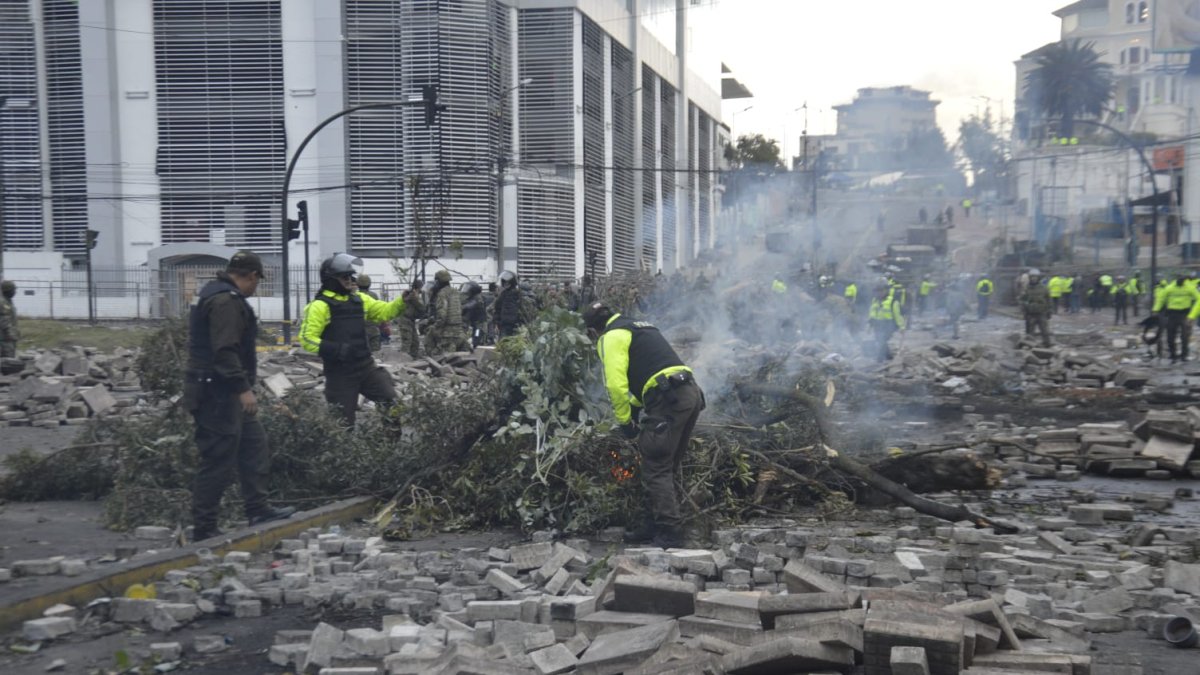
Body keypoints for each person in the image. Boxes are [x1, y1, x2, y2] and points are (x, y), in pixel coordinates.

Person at [183, 251, 294, 541]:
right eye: (257, 282)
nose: (256, 288)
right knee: (218, 458)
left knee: (254, 444)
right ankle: (204, 528)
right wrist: (243, 389)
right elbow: (225, 351)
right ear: (252, 276)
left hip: (220, 390)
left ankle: (258, 509)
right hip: (217, 393)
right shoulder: (226, 302)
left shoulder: (212, 292)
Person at [583, 302, 704, 548]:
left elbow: (616, 386)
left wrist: (625, 422)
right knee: (664, 466)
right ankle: (654, 524)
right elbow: (650, 371)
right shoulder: (640, 327)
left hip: (669, 399)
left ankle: (670, 532)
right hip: (689, 394)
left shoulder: (610, 336)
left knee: (656, 465)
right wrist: (637, 407)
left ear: (593, 331)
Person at [300, 253, 406, 425]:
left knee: (391, 403)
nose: (351, 280)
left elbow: (385, 311)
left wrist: (403, 300)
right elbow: (307, 339)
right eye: (345, 277)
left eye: (351, 276)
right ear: (332, 279)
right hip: (340, 374)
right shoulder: (319, 306)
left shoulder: (360, 299)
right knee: (342, 425)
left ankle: (389, 447)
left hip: (366, 367)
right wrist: (336, 349)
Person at [1153, 273, 1200, 363]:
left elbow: (1199, 299)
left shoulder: (1190, 288)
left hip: (1184, 314)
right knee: (1170, 336)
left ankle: (1184, 355)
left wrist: (1192, 316)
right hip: (1172, 314)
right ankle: (1173, 354)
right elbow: (1161, 299)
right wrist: (1156, 309)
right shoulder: (1170, 288)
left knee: (1185, 336)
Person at [426, 269, 469, 356]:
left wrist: (436, 326)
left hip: (448, 335)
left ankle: (431, 355)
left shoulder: (442, 294)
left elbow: (442, 315)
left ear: (438, 282)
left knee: (429, 333)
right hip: (460, 333)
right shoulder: (456, 292)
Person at [868, 283, 905, 361]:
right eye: (877, 291)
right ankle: (889, 356)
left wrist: (901, 326)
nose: (879, 293)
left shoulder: (893, 301)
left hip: (888, 324)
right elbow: (872, 313)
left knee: (882, 340)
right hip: (877, 324)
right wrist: (870, 325)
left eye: (881, 291)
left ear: (886, 291)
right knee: (879, 339)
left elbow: (897, 315)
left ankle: (880, 359)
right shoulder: (875, 301)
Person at [1020, 269, 1053, 348]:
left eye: (1035, 277)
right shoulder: (1026, 288)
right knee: (1030, 332)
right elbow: (1022, 300)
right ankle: (1030, 346)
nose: (1034, 278)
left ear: (1038, 278)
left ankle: (1047, 344)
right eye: (1032, 277)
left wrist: (1050, 311)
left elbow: (1049, 300)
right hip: (1031, 313)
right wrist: (1024, 310)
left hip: (1042, 312)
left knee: (1045, 330)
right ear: (1030, 277)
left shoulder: (1044, 288)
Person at [398, 280, 426, 358]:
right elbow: (422, 307)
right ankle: (403, 360)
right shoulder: (413, 296)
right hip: (405, 321)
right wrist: (416, 296)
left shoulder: (412, 295)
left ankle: (413, 359)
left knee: (415, 342)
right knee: (407, 342)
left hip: (410, 321)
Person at [356, 274, 384, 353]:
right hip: (374, 329)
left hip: (359, 331)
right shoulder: (373, 295)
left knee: (361, 355)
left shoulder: (355, 296)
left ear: (357, 284)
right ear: (369, 284)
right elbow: (379, 311)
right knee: (375, 355)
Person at [494, 270, 526, 338]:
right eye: (504, 282)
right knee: (504, 342)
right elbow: (497, 308)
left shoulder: (519, 294)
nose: (505, 284)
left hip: (515, 323)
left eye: (507, 282)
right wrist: (497, 321)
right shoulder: (503, 294)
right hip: (504, 323)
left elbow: (523, 308)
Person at [461, 282, 487, 348]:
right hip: (475, 322)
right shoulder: (471, 297)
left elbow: (471, 305)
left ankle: (474, 345)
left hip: (480, 323)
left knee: (477, 335)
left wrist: (462, 307)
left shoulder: (478, 298)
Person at [0, 280, 19, 357]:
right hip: (6, 338)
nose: (15, 292)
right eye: (13, 290)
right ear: (7, 291)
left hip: (8, 337)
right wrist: (11, 335)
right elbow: (5, 321)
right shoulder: (3, 302)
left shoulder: (8, 301)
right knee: (8, 360)